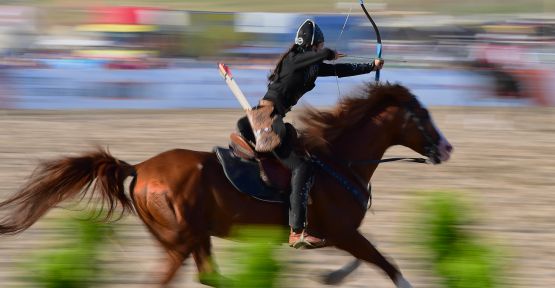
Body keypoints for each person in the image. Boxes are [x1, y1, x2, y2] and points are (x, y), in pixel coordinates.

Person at [236, 19, 384, 248]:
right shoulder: (294, 60)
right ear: (312, 45)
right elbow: (322, 55)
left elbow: (338, 70)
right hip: (267, 118)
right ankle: (297, 231)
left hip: (275, 118)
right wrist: (329, 52)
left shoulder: (310, 66)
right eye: (320, 44)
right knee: (301, 167)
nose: (321, 48)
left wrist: (370, 66)